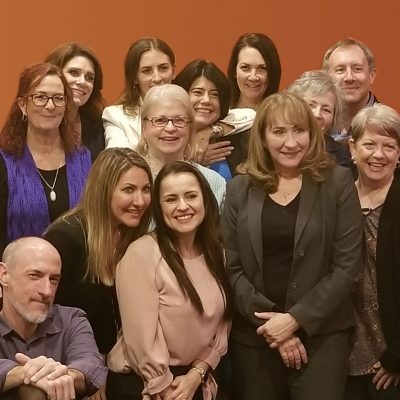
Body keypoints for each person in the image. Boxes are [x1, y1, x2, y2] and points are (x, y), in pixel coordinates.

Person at [221, 92, 363, 400]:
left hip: (322, 337)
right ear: (262, 136)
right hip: (256, 337)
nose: (290, 142)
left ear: (312, 135)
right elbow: (230, 267)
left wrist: (296, 319)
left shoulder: (337, 182)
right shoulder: (238, 189)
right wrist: (275, 325)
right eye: (279, 131)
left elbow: (347, 266)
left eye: (299, 130)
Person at [107, 161, 232, 400]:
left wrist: (198, 372)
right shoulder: (141, 254)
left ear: (205, 200)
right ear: (159, 207)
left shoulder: (216, 252)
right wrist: (163, 387)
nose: (183, 206)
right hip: (146, 385)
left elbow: (223, 322)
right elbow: (141, 340)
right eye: (171, 199)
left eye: (191, 196)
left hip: (195, 380)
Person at [0, 63, 91, 256]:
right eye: (40, 97)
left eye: (58, 98)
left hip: (77, 277)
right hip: (20, 278)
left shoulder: (85, 159)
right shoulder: (4, 162)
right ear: (23, 105)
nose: (50, 106)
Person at [0, 237, 107, 400]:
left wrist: (65, 375)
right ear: (4, 274)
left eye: (53, 279)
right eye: (34, 275)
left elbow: (91, 364)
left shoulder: (72, 319)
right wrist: (24, 373)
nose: (47, 291)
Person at [345, 104, 400, 399]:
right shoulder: (337, 199)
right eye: (370, 144)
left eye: (389, 146)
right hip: (342, 354)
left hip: (392, 355)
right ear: (352, 148)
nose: (379, 155)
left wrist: (397, 356)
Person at [136, 83, 226, 211]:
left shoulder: (214, 183)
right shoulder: (129, 179)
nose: (170, 128)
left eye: (179, 120)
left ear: (190, 127)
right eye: (160, 120)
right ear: (144, 128)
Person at [175, 59, 255, 180]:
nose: (206, 100)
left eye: (214, 94)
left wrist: (210, 131)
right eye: (198, 92)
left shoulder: (238, 140)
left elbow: (252, 115)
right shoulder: (168, 137)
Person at [103, 37, 176, 150]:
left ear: (173, 71)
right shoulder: (116, 116)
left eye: (163, 68)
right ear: (134, 78)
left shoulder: (188, 114)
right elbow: (118, 164)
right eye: (147, 71)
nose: (157, 78)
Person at [45, 42, 106, 161]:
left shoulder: (98, 126)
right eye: (74, 73)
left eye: (89, 78)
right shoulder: (38, 120)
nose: (82, 82)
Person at [287, 70, 353, 171]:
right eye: (311, 105)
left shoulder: (340, 158)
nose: (317, 114)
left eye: (326, 110)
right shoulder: (275, 143)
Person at [322, 38, 378, 142]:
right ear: (327, 77)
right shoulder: (314, 125)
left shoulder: (392, 130)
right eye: (340, 70)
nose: (349, 78)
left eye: (357, 69)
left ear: (371, 75)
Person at [227, 33, 281, 110]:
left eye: (262, 68)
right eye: (245, 67)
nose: (253, 77)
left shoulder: (284, 116)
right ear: (234, 71)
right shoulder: (219, 115)